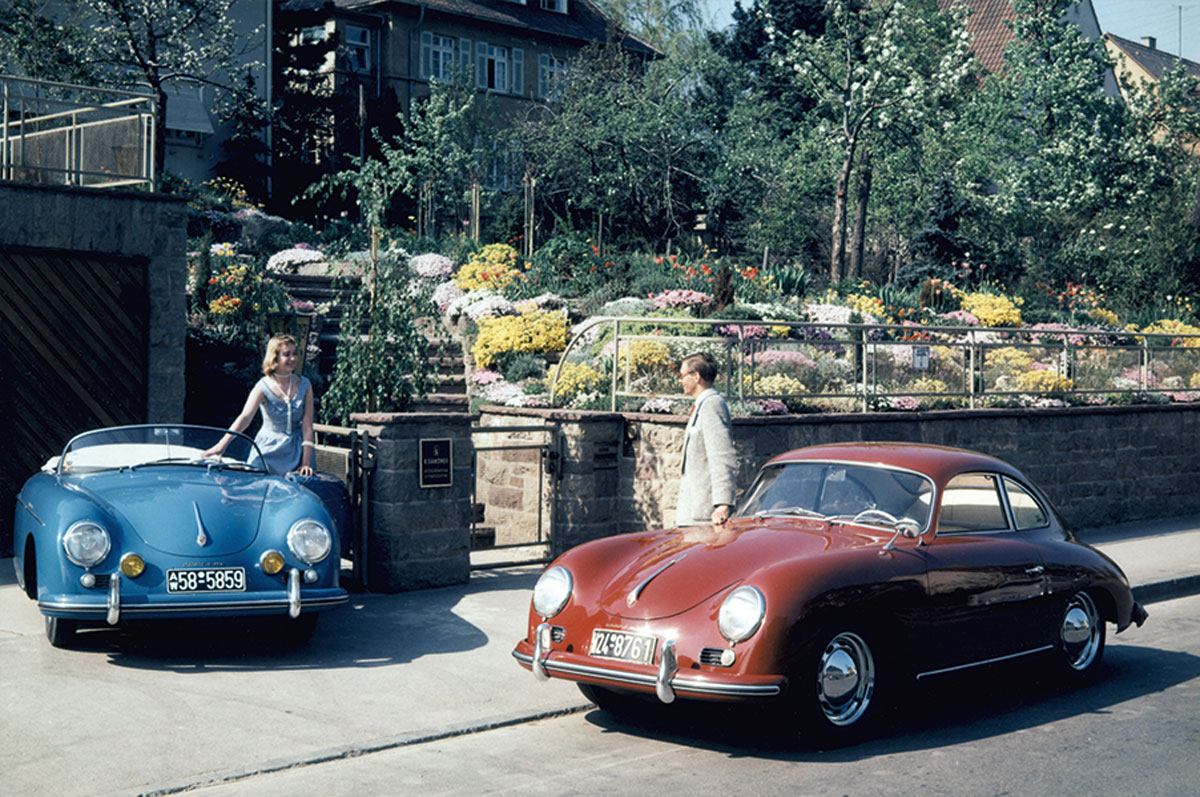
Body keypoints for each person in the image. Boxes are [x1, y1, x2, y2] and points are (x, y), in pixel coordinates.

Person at [204, 333, 315, 476]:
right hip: (268, 451)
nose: (293, 358)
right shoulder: (262, 387)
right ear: (274, 357)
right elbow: (245, 418)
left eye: (295, 354)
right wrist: (221, 445)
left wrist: (305, 463)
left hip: (297, 453)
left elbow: (307, 426)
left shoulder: (305, 384)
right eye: (287, 354)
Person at [676, 352, 737, 527]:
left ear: (696, 377)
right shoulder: (701, 405)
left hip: (704, 516)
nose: (680, 380)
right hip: (692, 512)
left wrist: (722, 504)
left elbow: (721, 455)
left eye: (682, 375)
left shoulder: (712, 405)